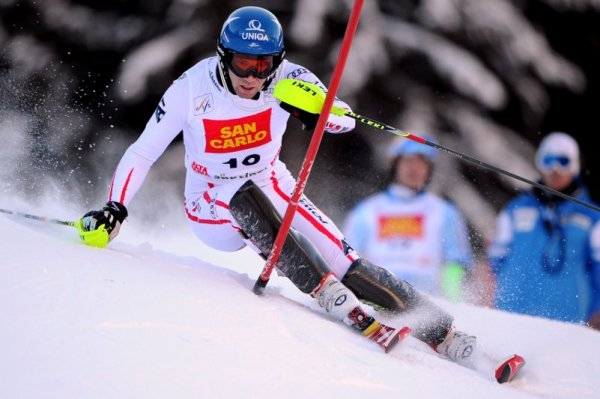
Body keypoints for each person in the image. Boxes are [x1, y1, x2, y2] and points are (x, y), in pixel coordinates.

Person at [79, 6, 476, 361]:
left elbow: (345, 120)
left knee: (345, 260)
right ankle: (322, 288)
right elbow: (142, 151)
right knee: (240, 196)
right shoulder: (191, 88)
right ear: (223, 57)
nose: (252, 76)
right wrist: (116, 207)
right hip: (209, 200)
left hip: (273, 182)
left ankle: (441, 331)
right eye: (242, 64)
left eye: (263, 65)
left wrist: (315, 110)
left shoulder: (289, 79)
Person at [488, 132, 600, 329]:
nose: (555, 169)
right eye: (548, 160)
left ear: (574, 167)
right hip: (511, 318)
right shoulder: (515, 209)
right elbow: (496, 259)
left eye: (563, 161)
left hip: (567, 324)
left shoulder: (592, 217)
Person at [343, 138, 473, 302]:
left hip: (428, 301)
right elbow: (348, 257)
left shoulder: (445, 212)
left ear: (429, 169)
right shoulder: (367, 210)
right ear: (395, 165)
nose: (414, 169)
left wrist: (454, 300)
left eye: (421, 163)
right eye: (409, 161)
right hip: (377, 299)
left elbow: (455, 262)